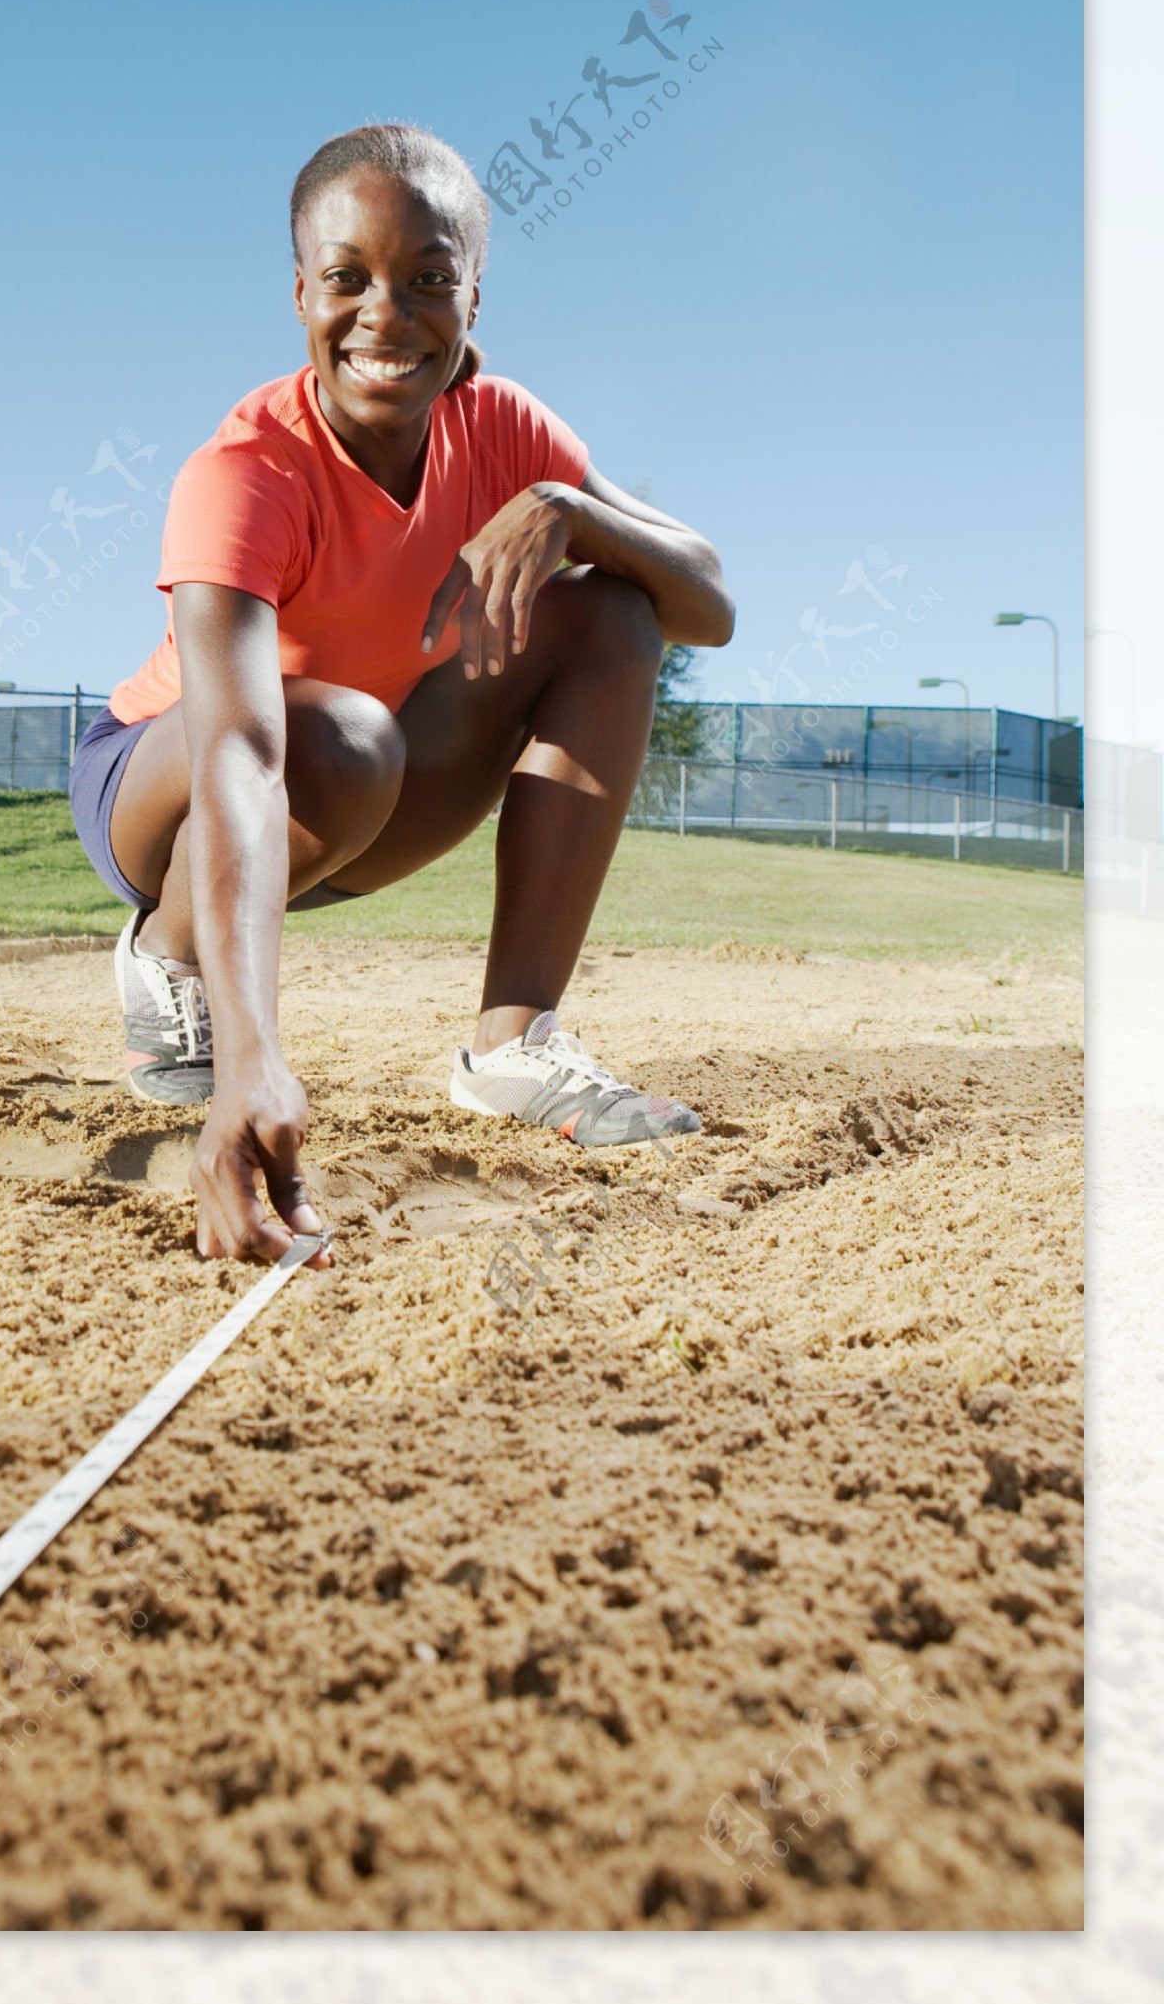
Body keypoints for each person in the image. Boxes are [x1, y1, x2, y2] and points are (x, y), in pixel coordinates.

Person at [70, 124, 734, 1273]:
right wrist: (251, 1063)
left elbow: (707, 603)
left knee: (614, 610)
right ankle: (171, 958)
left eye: (429, 279)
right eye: (347, 278)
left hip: (360, 787)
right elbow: (241, 752)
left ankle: (512, 1047)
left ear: (476, 295)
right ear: (298, 295)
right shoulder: (243, 474)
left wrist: (576, 515)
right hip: (173, 791)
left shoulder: (505, 426)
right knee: (330, 728)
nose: (387, 313)